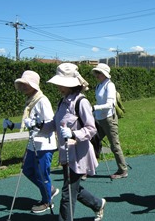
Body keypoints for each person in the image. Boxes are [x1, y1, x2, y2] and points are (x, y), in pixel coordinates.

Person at [33, 63, 105, 221]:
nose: (59, 86)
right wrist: (38, 125)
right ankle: (98, 204)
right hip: (66, 153)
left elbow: (91, 128)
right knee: (73, 189)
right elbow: (54, 124)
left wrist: (74, 133)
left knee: (67, 194)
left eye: (62, 83)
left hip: (79, 155)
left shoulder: (81, 102)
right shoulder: (62, 102)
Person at [2, 70, 59, 213]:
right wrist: (12, 125)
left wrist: (36, 124)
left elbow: (50, 123)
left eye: (26, 84)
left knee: (41, 174)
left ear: (34, 85)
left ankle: (47, 201)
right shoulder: (30, 100)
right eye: (21, 84)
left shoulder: (42, 100)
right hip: (33, 143)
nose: (23, 87)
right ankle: (49, 190)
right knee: (27, 170)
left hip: (44, 144)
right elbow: (27, 122)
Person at [91, 63, 128, 180]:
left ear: (105, 74)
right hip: (99, 119)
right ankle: (89, 167)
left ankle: (123, 170)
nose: (97, 75)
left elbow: (110, 104)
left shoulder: (109, 85)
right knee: (93, 142)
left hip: (108, 119)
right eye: (96, 73)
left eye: (99, 73)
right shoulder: (99, 85)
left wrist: (95, 108)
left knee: (114, 145)